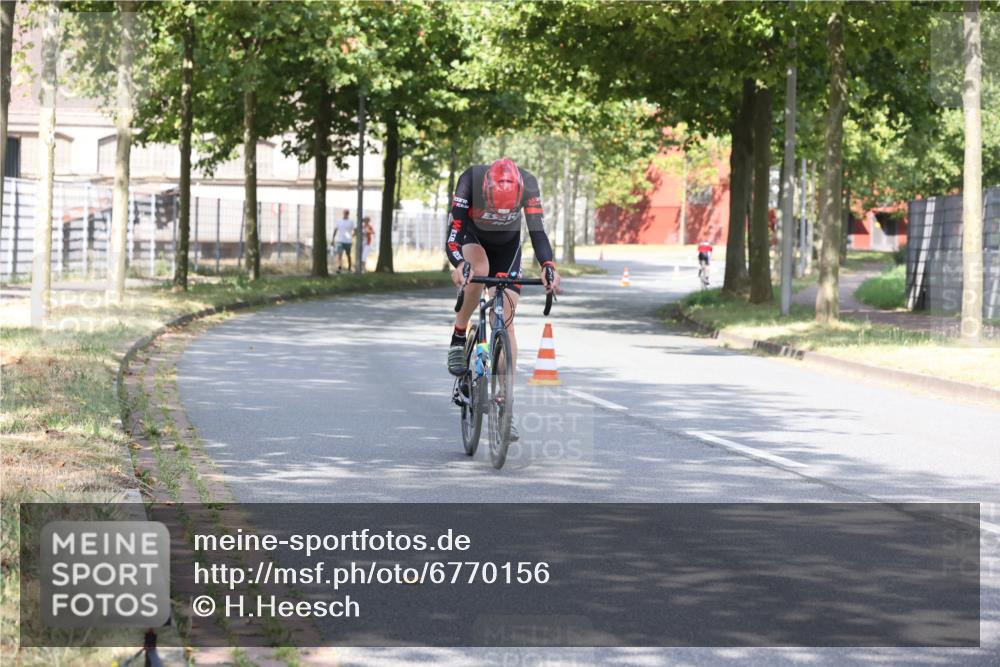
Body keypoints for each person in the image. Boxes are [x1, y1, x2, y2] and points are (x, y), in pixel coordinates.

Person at [446, 158, 560, 439]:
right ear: (486, 191)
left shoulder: (528, 184)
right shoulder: (470, 179)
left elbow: (537, 232)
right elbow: (453, 233)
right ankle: (460, 333)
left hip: (508, 248)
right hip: (473, 240)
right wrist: (460, 263)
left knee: (505, 318)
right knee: (479, 271)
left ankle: (504, 404)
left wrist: (548, 266)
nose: (498, 211)